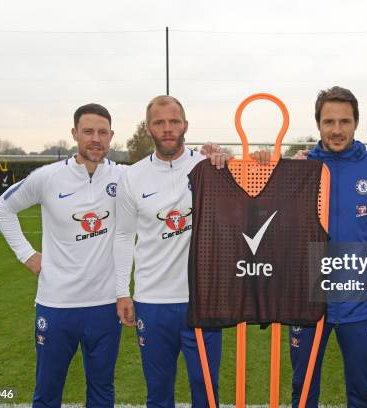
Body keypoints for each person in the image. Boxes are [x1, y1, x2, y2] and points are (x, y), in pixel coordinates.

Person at [0, 103, 124, 407]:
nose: (95, 138)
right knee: (47, 392)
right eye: (88, 131)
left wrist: (210, 157)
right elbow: (3, 207)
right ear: (74, 133)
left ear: (111, 136)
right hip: (56, 305)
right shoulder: (48, 177)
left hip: (104, 306)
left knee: (102, 391)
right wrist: (26, 254)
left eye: (102, 132)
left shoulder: (125, 177)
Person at [113, 95, 225, 408]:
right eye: (159, 122)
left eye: (174, 121)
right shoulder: (132, 177)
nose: (167, 128)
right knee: (159, 393)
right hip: (152, 302)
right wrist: (123, 291)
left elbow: (248, 194)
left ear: (185, 125)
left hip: (203, 301)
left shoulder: (208, 166)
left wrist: (224, 158)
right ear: (149, 128)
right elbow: (122, 236)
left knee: (205, 390)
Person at [290, 86, 367, 407]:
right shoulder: (299, 168)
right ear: (318, 124)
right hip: (306, 299)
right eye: (329, 122)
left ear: (356, 123)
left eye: (345, 122)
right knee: (303, 391)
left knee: (361, 391)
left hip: (358, 302)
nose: (337, 130)